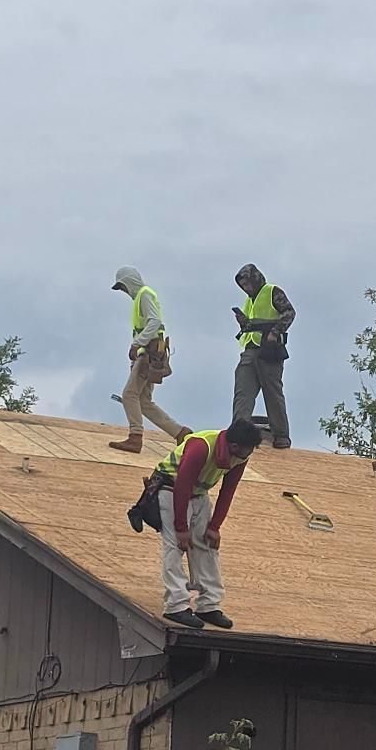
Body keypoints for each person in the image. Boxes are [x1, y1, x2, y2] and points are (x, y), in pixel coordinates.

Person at [145, 420, 262, 628]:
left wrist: (214, 527)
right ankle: (176, 606)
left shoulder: (240, 456)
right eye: (246, 451)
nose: (247, 455)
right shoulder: (201, 447)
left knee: (207, 546)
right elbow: (182, 485)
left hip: (198, 495)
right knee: (175, 547)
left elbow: (228, 491)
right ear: (234, 447)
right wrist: (181, 527)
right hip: (170, 489)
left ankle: (209, 606)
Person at [110, 267, 189, 454]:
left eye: (123, 286)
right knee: (144, 401)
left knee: (129, 395)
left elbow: (154, 321)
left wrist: (137, 344)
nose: (124, 291)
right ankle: (180, 433)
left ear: (130, 282)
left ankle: (135, 437)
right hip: (150, 351)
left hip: (149, 352)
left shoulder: (144, 295)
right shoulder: (141, 297)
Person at [231, 263, 296, 450]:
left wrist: (275, 331)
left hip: (269, 350)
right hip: (250, 350)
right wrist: (245, 323)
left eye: (248, 283)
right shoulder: (249, 300)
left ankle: (281, 435)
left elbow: (289, 313)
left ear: (255, 278)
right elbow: (253, 323)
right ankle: (238, 435)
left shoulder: (272, 291)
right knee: (243, 393)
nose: (246, 288)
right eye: (242, 285)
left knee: (272, 393)